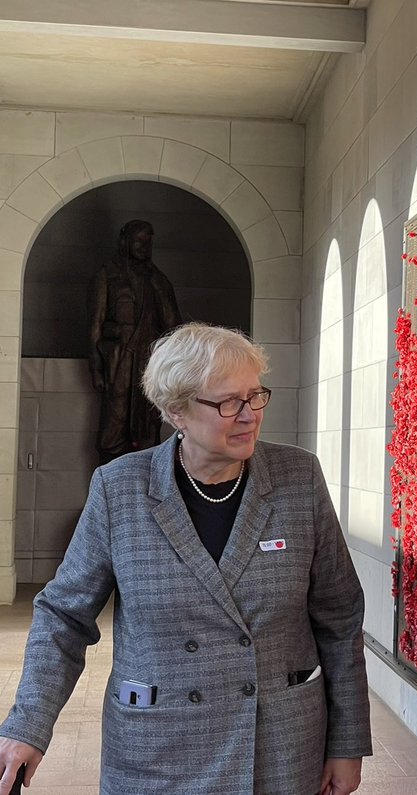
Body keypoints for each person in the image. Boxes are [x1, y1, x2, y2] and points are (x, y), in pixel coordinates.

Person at [0, 322, 371, 795]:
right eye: (227, 402)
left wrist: (347, 742)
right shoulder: (121, 488)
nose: (249, 415)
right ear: (176, 411)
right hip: (156, 750)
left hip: (278, 751)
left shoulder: (299, 478)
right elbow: (64, 616)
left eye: (255, 396)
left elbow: (339, 618)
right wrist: (27, 724)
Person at [87, 219, 182, 463]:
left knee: (149, 424)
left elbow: (174, 328)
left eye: (148, 241)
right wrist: (96, 368)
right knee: (114, 422)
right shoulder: (108, 274)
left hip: (148, 361)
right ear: (125, 240)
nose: (144, 246)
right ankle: (108, 483)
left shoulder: (158, 280)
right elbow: (95, 324)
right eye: (139, 240)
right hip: (118, 360)